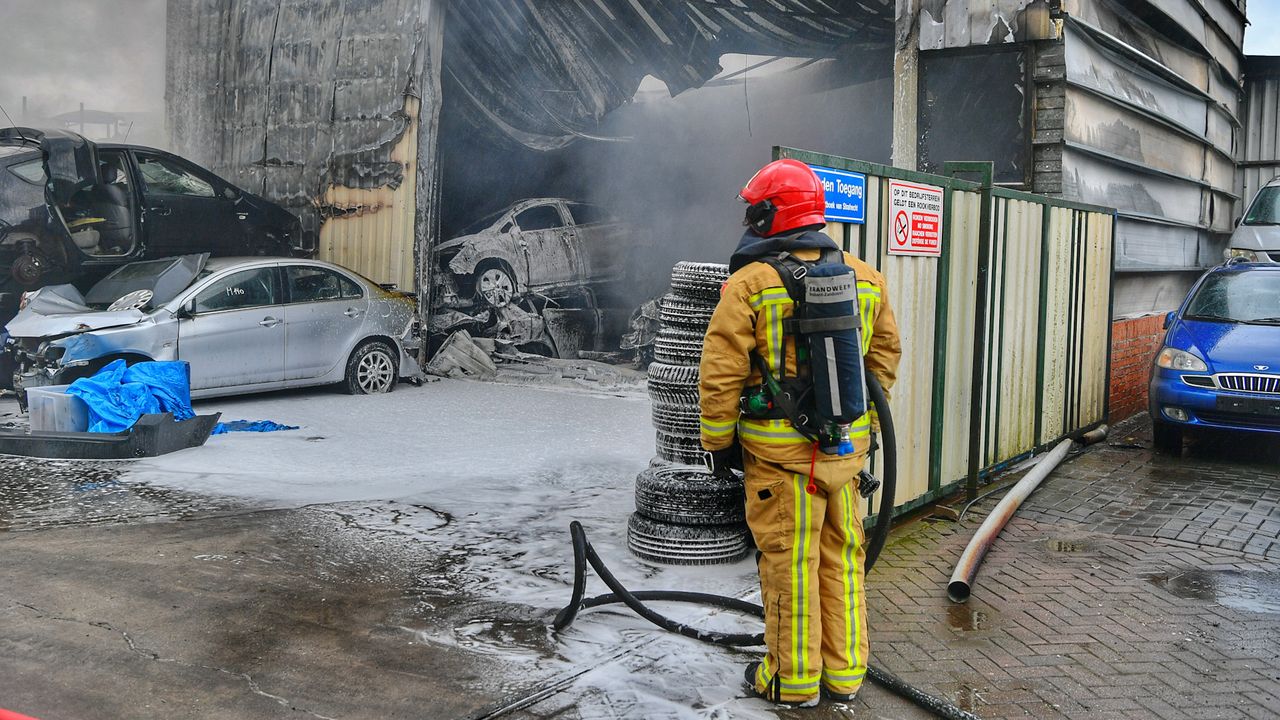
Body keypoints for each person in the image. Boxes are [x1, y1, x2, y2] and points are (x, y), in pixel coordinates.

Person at [698, 158, 901, 707]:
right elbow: (881, 361)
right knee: (843, 561)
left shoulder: (750, 284)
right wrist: (854, 423)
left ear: (771, 214)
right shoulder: (865, 276)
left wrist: (717, 442)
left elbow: (721, 371)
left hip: (780, 461)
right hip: (845, 455)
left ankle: (794, 681)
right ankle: (845, 675)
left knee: (790, 563)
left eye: (754, 208)